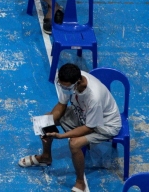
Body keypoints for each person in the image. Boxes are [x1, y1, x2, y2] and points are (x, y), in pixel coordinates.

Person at [18, 63, 122, 192]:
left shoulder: (94, 97)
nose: (63, 88)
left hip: (104, 125)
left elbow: (89, 128)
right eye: (61, 85)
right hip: (82, 114)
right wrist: (47, 124)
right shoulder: (68, 82)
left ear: (77, 83)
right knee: (46, 119)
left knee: (74, 143)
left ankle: (80, 183)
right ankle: (45, 157)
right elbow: (61, 105)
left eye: (66, 87)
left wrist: (61, 136)